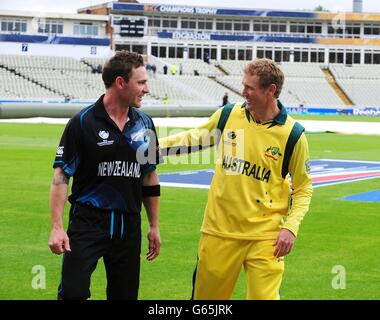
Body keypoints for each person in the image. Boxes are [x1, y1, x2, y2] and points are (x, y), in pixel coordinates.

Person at [159, 58, 313, 300]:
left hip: (266, 237)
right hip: (218, 232)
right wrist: (147, 149)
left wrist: (291, 228)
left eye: (250, 88)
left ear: (270, 90)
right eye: (244, 86)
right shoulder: (229, 116)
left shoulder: (293, 135)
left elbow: (303, 188)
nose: (243, 93)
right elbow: (191, 139)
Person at [48, 51, 162, 300]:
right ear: (121, 83)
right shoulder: (83, 122)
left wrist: (154, 225)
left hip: (128, 226)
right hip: (87, 222)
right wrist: (56, 227)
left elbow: (149, 177)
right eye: (141, 82)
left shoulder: (145, 124)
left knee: (125, 296)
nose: (147, 89)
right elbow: (61, 176)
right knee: (72, 293)